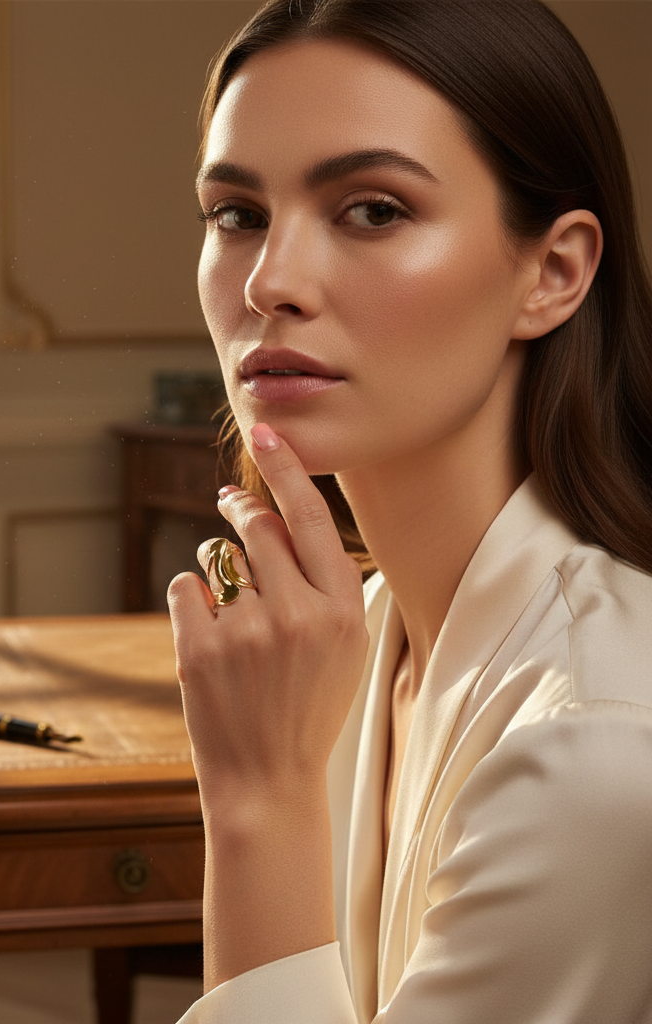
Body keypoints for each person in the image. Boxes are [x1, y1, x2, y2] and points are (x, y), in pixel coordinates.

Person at [168, 1, 652, 1021]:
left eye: (374, 210)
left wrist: (260, 800)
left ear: (553, 272)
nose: (269, 282)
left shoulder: (598, 745)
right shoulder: (362, 633)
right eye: (237, 214)